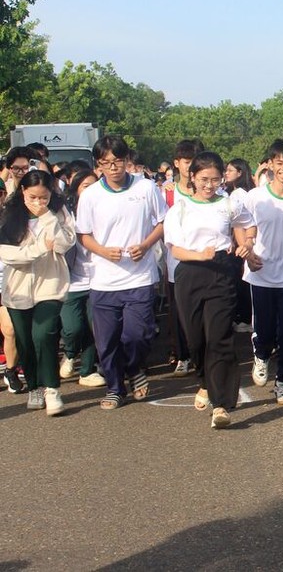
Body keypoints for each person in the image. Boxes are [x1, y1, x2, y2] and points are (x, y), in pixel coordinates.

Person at [76, 135, 167, 410]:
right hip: (104, 279)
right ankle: (115, 388)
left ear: (127, 160)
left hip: (139, 276)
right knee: (106, 342)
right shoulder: (90, 195)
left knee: (138, 334)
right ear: (98, 165)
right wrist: (103, 251)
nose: (113, 167)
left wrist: (146, 245)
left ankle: (134, 367)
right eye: (106, 163)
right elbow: (84, 234)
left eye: (118, 161)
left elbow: (163, 222)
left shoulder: (146, 187)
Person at [164, 152, 253, 429]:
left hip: (221, 272)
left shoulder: (228, 204)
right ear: (192, 177)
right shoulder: (179, 208)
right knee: (196, 340)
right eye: (204, 179)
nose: (209, 185)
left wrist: (247, 244)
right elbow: (175, 250)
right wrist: (199, 255)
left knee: (219, 337)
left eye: (215, 179)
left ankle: (221, 404)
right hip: (189, 272)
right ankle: (204, 381)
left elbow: (247, 226)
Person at [0, 170, 75, 415]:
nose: (38, 202)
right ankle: (34, 385)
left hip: (50, 284)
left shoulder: (59, 212)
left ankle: (52, 389)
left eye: (43, 197)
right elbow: (7, 254)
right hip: (18, 288)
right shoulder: (9, 214)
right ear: (22, 191)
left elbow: (64, 245)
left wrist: (46, 216)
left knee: (44, 334)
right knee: (24, 340)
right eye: (33, 197)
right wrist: (39, 249)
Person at [241, 140, 283, 405]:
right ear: (269, 165)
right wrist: (248, 250)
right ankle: (261, 355)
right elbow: (243, 225)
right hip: (262, 272)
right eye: (279, 163)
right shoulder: (256, 197)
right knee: (264, 328)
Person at [162, 139, 205, 376]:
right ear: (177, 163)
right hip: (176, 262)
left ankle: (202, 354)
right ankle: (182, 355)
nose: (190, 167)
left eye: (194, 162)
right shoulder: (167, 193)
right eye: (186, 162)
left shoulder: (211, 191)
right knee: (179, 312)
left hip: (206, 263)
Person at [59, 170, 104, 387]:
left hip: (98, 280)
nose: (91, 191)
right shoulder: (66, 214)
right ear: (76, 189)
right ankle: (69, 353)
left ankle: (87, 371)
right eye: (86, 186)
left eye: (95, 185)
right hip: (71, 281)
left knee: (94, 327)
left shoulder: (106, 211)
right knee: (73, 328)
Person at [224, 158, 255, 332]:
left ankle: (245, 317)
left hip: (240, 243)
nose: (226, 173)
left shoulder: (239, 194)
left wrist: (242, 243)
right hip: (239, 242)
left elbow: (243, 223)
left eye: (230, 170)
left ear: (240, 173)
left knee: (241, 281)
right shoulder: (238, 192)